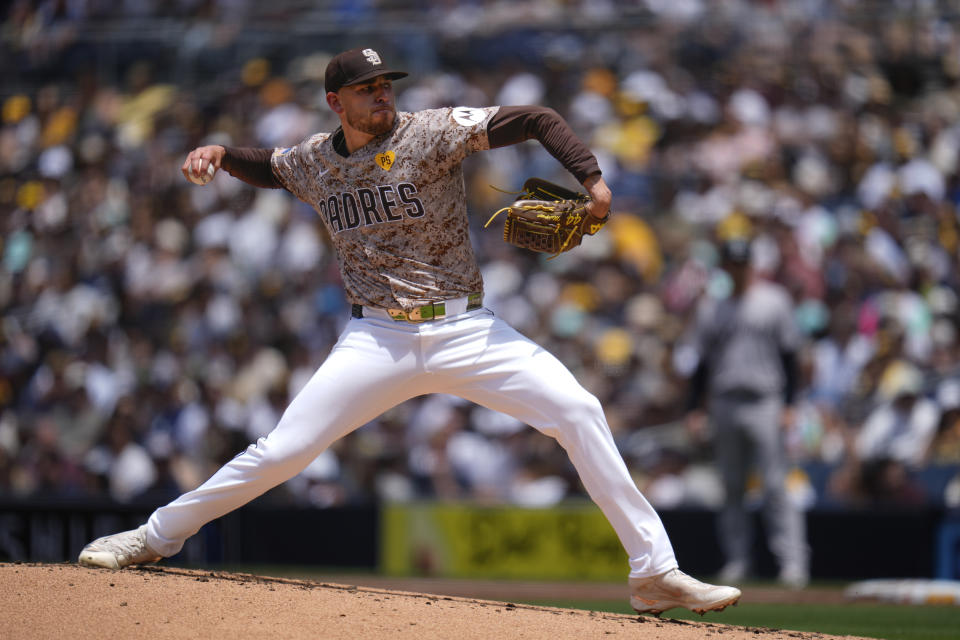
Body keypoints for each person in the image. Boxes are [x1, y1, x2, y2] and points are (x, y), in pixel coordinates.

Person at [78, 47, 740, 615]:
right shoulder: (315, 160)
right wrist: (222, 154)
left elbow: (537, 119)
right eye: (367, 89)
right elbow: (270, 166)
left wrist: (591, 179)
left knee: (578, 409)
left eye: (386, 84)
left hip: (466, 329)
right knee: (283, 452)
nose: (381, 95)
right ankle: (153, 536)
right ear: (336, 102)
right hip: (377, 341)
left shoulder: (432, 132)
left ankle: (652, 572)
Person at [684, 238, 810, 588]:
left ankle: (793, 563)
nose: (737, 269)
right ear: (725, 265)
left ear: (750, 265)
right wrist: (694, 408)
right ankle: (738, 561)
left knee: (774, 484)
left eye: (742, 263)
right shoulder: (713, 308)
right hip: (725, 401)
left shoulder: (773, 301)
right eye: (732, 263)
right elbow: (702, 365)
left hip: (765, 400)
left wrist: (789, 404)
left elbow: (790, 358)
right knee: (731, 487)